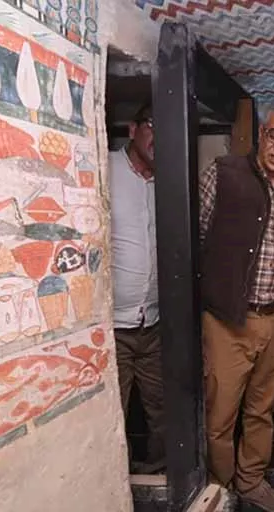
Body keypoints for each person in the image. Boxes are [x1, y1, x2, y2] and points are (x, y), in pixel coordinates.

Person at [198, 103, 274, 512]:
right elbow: (193, 240)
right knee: (220, 415)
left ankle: (251, 482)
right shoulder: (224, 173)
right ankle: (220, 488)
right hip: (228, 319)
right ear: (263, 134)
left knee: (262, 410)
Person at [109, 102, 165, 473]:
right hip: (111, 328)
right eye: (152, 126)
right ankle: (117, 486)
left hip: (154, 325)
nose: (160, 137)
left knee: (162, 407)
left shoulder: (170, 180)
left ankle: (161, 474)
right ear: (133, 129)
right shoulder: (105, 169)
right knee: (112, 412)